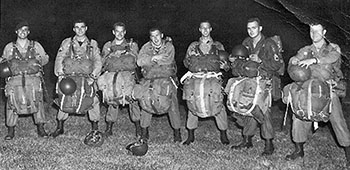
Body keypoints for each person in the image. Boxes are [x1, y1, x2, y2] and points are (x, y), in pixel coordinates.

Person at [286, 22, 350, 165]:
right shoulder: (305, 50)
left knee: (338, 121)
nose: (314, 34)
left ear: (324, 32)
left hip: (327, 89)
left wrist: (315, 60)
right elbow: (294, 59)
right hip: (308, 89)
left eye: (317, 31)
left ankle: (348, 151)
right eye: (311, 31)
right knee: (298, 116)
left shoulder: (332, 48)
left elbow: (333, 57)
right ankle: (299, 149)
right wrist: (294, 60)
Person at [230, 18, 284, 155]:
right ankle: (247, 140)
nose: (251, 31)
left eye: (254, 28)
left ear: (260, 28)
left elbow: (277, 65)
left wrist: (261, 61)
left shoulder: (269, 43)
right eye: (249, 28)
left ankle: (268, 143)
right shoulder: (246, 43)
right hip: (249, 81)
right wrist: (235, 60)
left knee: (263, 111)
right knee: (248, 107)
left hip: (264, 81)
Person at [51, 19, 102, 138]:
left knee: (93, 99)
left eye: (82, 27)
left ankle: (95, 128)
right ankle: (60, 126)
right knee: (64, 99)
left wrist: (93, 77)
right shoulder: (67, 42)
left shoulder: (92, 44)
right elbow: (60, 58)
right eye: (77, 27)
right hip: (69, 77)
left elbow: (98, 61)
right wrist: (60, 75)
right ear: (74, 29)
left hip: (86, 77)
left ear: (86, 28)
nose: (79, 30)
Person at [182, 21, 230, 145]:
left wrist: (225, 66)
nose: (205, 31)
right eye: (202, 28)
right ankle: (190, 135)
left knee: (217, 102)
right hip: (196, 77)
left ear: (210, 29)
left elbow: (225, 65)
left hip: (212, 78)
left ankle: (223, 133)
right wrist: (191, 61)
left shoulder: (218, 46)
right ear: (199, 29)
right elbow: (186, 63)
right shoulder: (193, 46)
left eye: (207, 28)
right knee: (192, 102)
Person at [0, 21, 49, 140]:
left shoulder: (36, 45)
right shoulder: (9, 47)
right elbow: (3, 61)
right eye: (20, 30)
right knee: (11, 101)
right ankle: (11, 130)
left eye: (25, 29)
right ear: (16, 32)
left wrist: (37, 62)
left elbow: (45, 59)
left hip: (32, 78)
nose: (23, 32)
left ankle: (41, 128)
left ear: (29, 32)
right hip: (15, 78)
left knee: (37, 100)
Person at [135, 27, 181, 143]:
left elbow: (168, 60)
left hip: (166, 78)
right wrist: (154, 58)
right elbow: (139, 61)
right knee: (145, 102)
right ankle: (144, 132)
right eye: (152, 36)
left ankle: (177, 132)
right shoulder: (146, 47)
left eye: (157, 35)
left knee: (172, 103)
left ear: (161, 35)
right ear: (150, 37)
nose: (155, 39)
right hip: (149, 79)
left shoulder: (169, 46)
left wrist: (149, 62)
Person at [99, 22, 141, 138]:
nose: (120, 34)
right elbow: (103, 61)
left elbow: (136, 60)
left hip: (127, 75)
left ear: (125, 32)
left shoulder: (132, 44)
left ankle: (138, 127)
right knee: (112, 99)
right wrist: (113, 54)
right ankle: (109, 127)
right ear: (113, 32)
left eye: (122, 31)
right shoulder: (108, 45)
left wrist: (124, 53)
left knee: (133, 99)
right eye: (117, 31)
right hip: (112, 75)